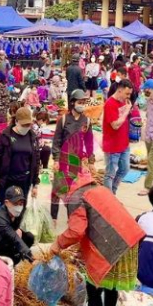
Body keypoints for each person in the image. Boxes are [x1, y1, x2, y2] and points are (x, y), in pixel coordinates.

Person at [48, 173, 144, 306]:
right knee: (111, 284)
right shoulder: (98, 188)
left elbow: (76, 231)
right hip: (129, 237)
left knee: (94, 289)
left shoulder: (75, 198)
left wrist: (58, 243)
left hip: (113, 243)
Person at [51, 89, 95, 224]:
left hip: (77, 161)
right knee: (58, 189)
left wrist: (91, 161)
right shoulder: (63, 120)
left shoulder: (86, 121)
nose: (82, 104)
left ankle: (72, 218)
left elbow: (89, 142)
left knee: (74, 191)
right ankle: (54, 217)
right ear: (72, 103)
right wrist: (56, 160)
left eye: (84, 102)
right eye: (79, 102)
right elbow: (57, 141)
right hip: (63, 160)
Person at [0, 107, 40, 204]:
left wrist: (35, 184)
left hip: (24, 181)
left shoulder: (32, 137)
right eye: (23, 125)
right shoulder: (5, 136)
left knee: (20, 210)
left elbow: (36, 161)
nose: (26, 127)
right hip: (7, 180)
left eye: (28, 125)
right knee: (5, 209)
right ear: (16, 121)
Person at [0, 186, 34, 264]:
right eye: (15, 203)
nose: (19, 207)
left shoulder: (18, 212)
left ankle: (18, 258)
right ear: (6, 202)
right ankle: (4, 263)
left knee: (29, 237)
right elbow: (13, 236)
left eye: (21, 203)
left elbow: (15, 230)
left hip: (9, 236)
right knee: (12, 241)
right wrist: (31, 256)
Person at [102, 79, 133, 194]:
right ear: (119, 90)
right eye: (127, 93)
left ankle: (112, 193)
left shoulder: (123, 101)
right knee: (110, 174)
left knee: (125, 169)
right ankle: (108, 199)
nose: (128, 96)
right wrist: (126, 112)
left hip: (124, 143)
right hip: (112, 145)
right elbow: (115, 125)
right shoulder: (110, 104)